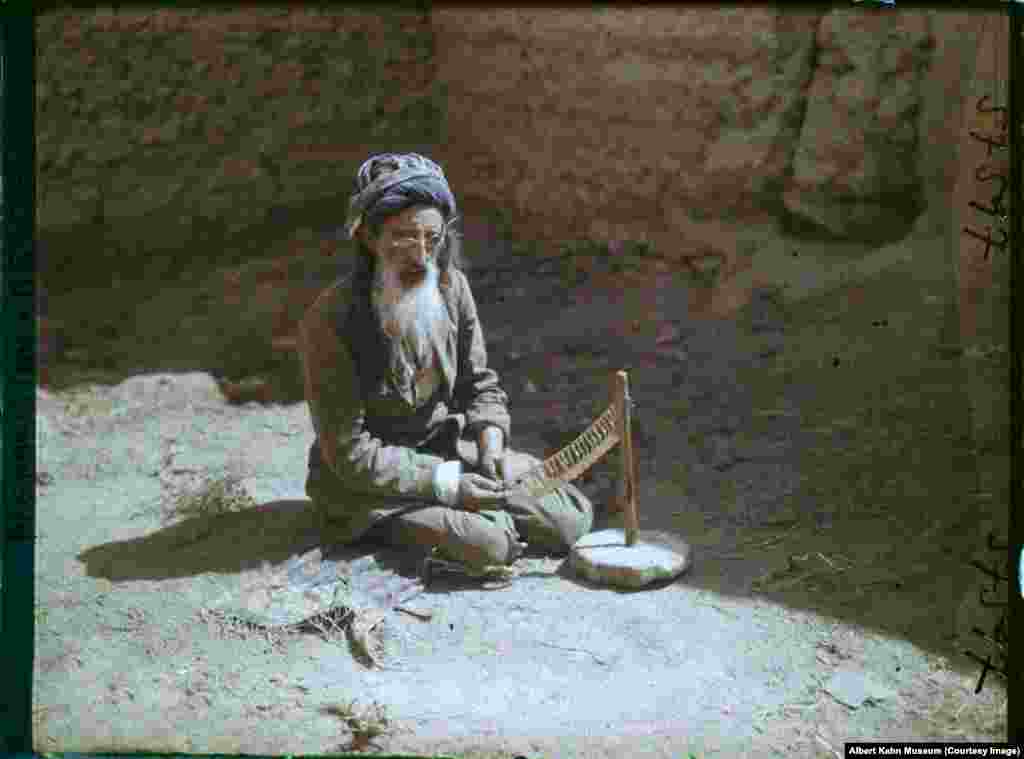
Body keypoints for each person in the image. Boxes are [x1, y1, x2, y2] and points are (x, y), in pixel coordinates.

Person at [298, 153, 593, 573]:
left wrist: (491, 440)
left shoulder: (452, 289)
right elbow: (351, 454)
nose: (421, 255)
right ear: (368, 237)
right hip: (367, 484)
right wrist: (449, 485)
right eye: (403, 237)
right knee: (492, 544)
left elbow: (479, 382)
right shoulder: (331, 321)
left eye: (432, 239)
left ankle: (475, 512)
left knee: (569, 520)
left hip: (445, 449)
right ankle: (378, 526)